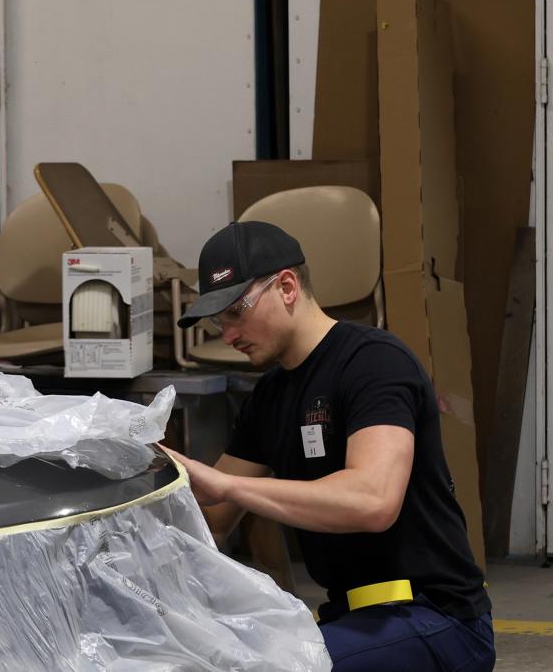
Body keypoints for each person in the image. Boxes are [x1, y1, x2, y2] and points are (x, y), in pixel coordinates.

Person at [164, 221, 494, 671]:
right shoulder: (269, 397)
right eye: (219, 320)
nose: (228, 334)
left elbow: (373, 501)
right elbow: (211, 518)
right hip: (351, 617)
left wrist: (230, 486)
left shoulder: (374, 363)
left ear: (286, 287)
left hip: (434, 615)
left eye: (236, 311)